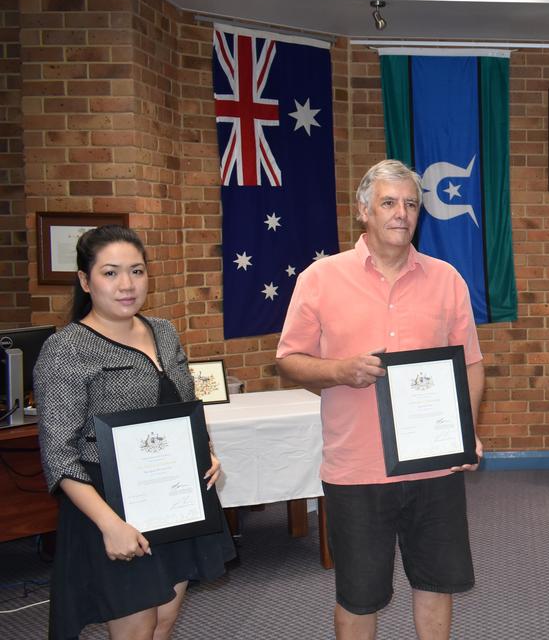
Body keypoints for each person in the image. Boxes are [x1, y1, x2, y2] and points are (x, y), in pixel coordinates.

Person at [277, 160, 485, 640]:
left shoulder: (446, 278)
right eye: (389, 202)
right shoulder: (320, 278)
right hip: (357, 469)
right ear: (363, 211)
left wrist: (466, 430)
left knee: (437, 584)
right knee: (359, 594)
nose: (401, 213)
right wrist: (339, 370)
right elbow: (289, 360)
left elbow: (471, 363)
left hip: (435, 467)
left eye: (411, 204)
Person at [36, 225, 235, 640]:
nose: (126, 285)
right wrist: (110, 524)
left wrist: (206, 453)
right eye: (110, 273)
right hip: (110, 507)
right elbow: (59, 453)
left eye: (137, 271)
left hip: (175, 499)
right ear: (85, 281)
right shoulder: (67, 349)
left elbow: (185, 408)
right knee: (136, 627)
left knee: (163, 621)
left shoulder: (163, 330)